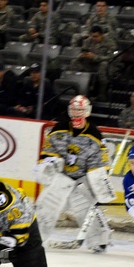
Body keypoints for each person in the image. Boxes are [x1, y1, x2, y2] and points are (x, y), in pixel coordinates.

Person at [36, 96, 115, 252]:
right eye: (73, 110)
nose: (76, 114)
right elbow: (48, 151)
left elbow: (99, 163)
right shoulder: (59, 128)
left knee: (87, 208)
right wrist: (51, 163)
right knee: (47, 205)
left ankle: (99, 240)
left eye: (80, 110)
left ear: (87, 112)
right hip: (62, 177)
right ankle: (34, 237)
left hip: (82, 179)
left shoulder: (94, 135)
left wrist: (98, 184)